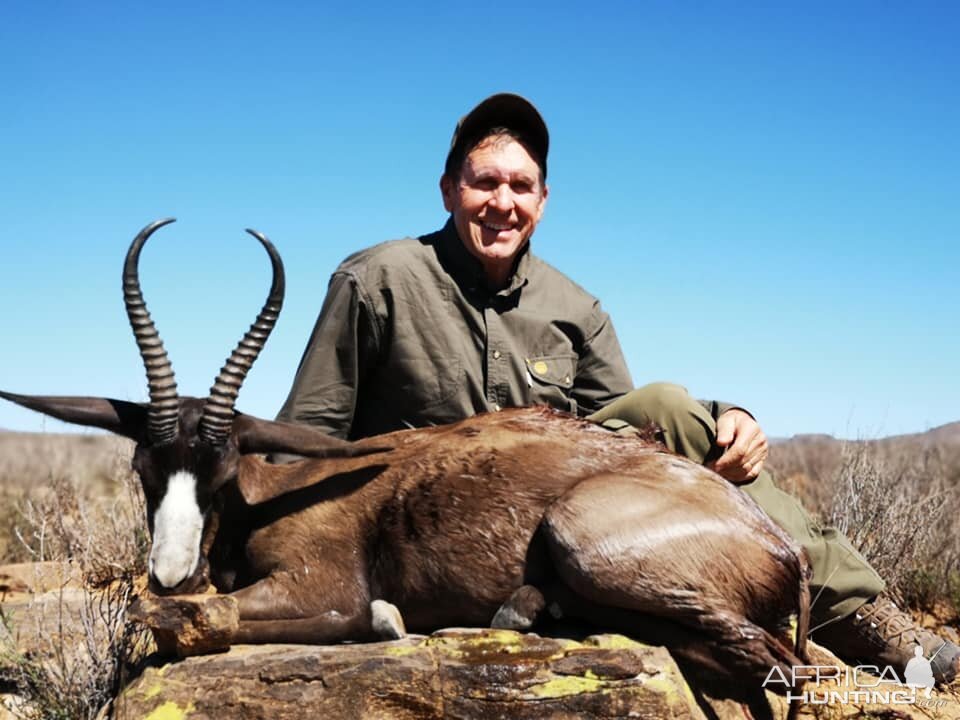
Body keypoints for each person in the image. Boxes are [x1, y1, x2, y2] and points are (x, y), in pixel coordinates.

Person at [277, 93, 959, 685]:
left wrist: (730, 418)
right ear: (450, 188)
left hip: (541, 508)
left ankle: (865, 621)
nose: (503, 203)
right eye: (485, 182)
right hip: (429, 529)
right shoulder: (378, 279)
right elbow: (307, 433)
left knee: (670, 409)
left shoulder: (575, 307)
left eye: (522, 186)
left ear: (544, 201)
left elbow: (634, 440)